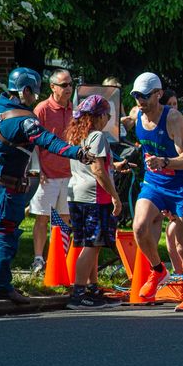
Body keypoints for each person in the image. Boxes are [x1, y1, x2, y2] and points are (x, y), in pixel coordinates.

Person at [0, 68, 91, 303]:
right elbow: (49, 141)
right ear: (25, 90)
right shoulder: (25, 120)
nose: (34, 98)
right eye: (33, 93)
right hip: (7, 186)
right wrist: (77, 152)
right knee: (5, 234)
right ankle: (0, 286)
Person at [128, 72, 183, 312]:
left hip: (179, 185)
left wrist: (165, 162)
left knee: (182, 246)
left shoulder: (173, 118)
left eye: (145, 96)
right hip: (154, 183)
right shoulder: (136, 114)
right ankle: (158, 269)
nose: (140, 100)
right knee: (139, 227)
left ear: (158, 94)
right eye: (137, 95)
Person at [64, 95, 121, 309]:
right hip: (95, 196)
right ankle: (79, 292)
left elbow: (94, 165)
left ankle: (92, 288)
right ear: (99, 116)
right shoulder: (97, 136)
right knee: (92, 244)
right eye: (107, 115)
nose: (108, 119)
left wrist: (115, 166)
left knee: (88, 244)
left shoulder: (76, 135)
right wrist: (115, 196)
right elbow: (97, 169)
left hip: (76, 193)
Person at [30, 68, 74, 273]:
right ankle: (38, 258)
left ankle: (59, 259)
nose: (69, 88)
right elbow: (32, 143)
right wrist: (38, 170)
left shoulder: (75, 109)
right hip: (46, 174)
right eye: (64, 85)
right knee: (42, 217)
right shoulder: (42, 109)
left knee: (64, 217)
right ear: (53, 87)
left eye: (71, 84)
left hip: (70, 173)